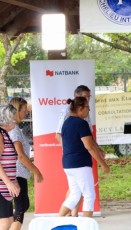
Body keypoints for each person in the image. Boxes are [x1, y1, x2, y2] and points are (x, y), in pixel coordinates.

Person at [55, 85, 105, 216]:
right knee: (89, 195)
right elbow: (89, 146)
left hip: (68, 163)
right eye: (87, 108)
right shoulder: (81, 123)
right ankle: (86, 225)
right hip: (80, 164)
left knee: (75, 194)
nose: (89, 110)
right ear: (80, 108)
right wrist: (103, 163)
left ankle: (57, 220)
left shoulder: (67, 122)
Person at [8, 98, 43, 230]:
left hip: (19, 173)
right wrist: (36, 171)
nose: (26, 113)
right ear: (17, 111)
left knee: (23, 205)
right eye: (24, 110)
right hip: (15, 172)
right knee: (21, 207)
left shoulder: (16, 128)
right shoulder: (14, 130)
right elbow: (21, 156)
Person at [0, 104, 21, 229]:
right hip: (2, 187)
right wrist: (8, 182)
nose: (16, 119)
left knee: (8, 220)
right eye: (14, 116)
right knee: (5, 222)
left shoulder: (5, 134)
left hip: (5, 187)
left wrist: (14, 181)